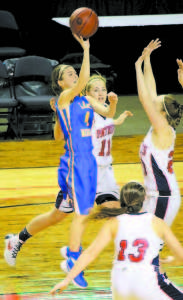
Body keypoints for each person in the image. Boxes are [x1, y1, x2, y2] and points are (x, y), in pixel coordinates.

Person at [4, 33, 118, 288]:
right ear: (59, 82)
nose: (74, 75)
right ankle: (73, 261)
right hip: (76, 164)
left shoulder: (83, 100)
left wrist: (112, 104)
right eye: (68, 73)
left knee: (57, 215)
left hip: (86, 163)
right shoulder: (66, 97)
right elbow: (84, 82)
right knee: (81, 215)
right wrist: (86, 50)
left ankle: (17, 240)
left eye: (73, 72)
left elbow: (104, 115)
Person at [50, 181, 183, 299]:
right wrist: (171, 260)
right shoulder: (157, 223)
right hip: (145, 282)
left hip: (120, 285)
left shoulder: (114, 222)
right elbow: (180, 255)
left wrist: (67, 280)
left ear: (122, 200)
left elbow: (90, 253)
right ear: (145, 199)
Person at [135, 39, 183, 282]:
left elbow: (145, 98)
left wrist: (137, 66)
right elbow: (151, 92)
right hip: (156, 195)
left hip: (163, 196)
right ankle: (157, 278)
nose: (155, 100)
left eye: (159, 101)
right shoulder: (161, 126)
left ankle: (159, 282)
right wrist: (148, 60)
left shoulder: (163, 129)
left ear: (162, 112)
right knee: (148, 241)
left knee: (149, 241)